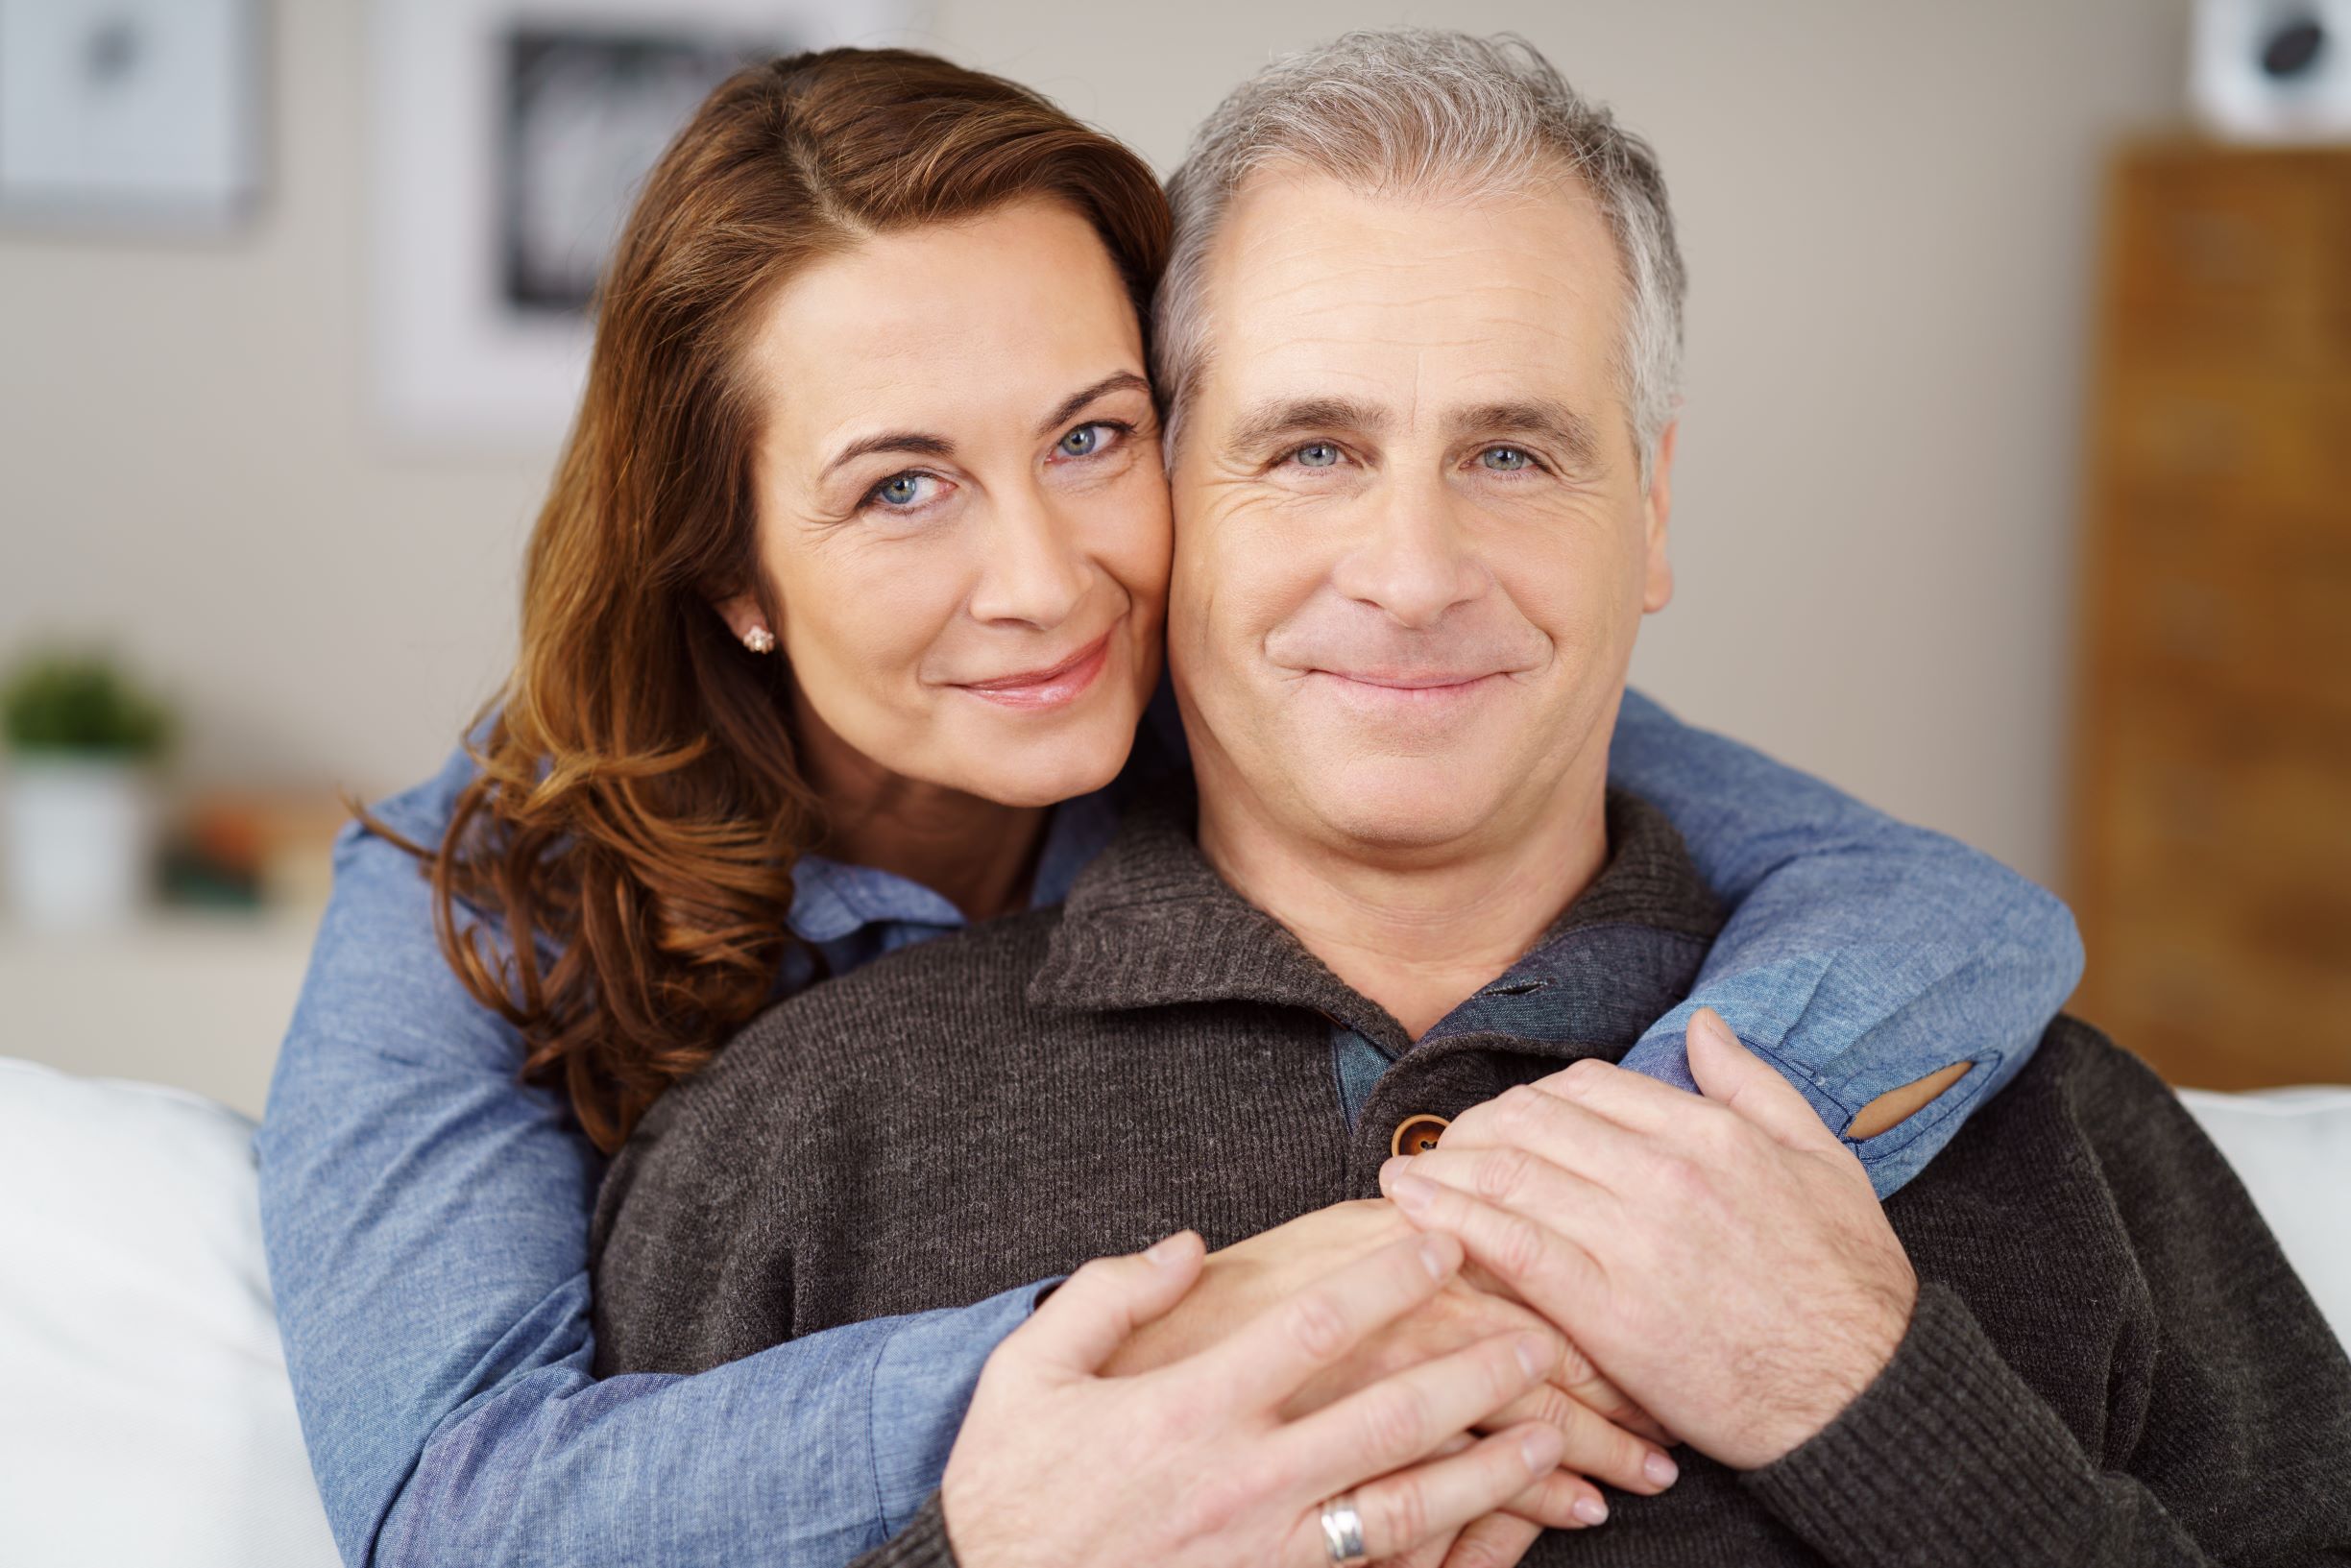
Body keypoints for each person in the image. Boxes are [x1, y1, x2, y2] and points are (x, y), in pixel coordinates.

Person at [258, 43, 2085, 1568]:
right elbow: (448, 1506)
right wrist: (1093, 1391)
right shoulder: (491, 901)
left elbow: (1950, 918)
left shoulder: (1279, 698)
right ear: (730, 565)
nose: (1049, 583)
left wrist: (1583, 1234)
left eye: (1090, 436)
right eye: (904, 488)